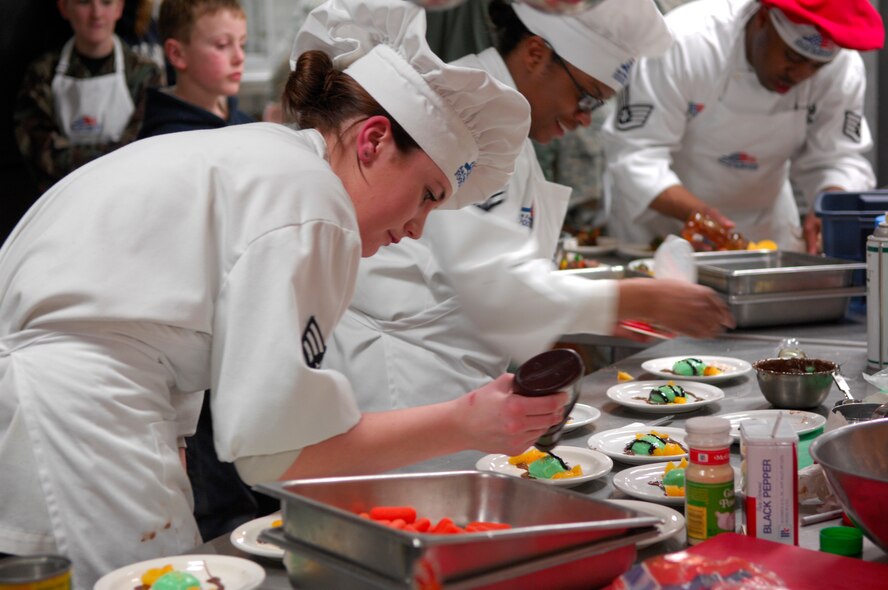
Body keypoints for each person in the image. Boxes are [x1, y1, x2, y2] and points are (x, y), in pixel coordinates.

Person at [0, 0, 541, 585]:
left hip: (65, 396)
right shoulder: (314, 204)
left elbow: (154, 312)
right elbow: (277, 452)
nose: (418, 227)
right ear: (374, 141)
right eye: (428, 194)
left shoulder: (272, 160)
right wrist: (470, 422)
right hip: (80, 410)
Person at [325, 0, 734, 413]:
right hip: (399, 381)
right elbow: (494, 284)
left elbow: (502, 279)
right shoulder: (458, 117)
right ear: (537, 54)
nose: (583, 120)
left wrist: (601, 313)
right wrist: (640, 299)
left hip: (445, 383)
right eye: (587, 98)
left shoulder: (505, 128)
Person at [601, 0, 883, 253]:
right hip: (662, 226)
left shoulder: (842, 69)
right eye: (793, 57)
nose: (800, 75)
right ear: (762, 18)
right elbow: (635, 155)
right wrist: (702, 218)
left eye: (816, 67)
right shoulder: (686, 42)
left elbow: (838, 158)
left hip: (763, 227)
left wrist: (830, 206)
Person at [13, 0, 162, 194]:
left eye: (106, 2)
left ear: (119, 8)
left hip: (128, 195)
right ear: (64, 8)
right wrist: (112, 157)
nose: (96, 14)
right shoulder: (42, 73)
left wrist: (72, 153)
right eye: (84, 2)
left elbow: (146, 147)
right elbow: (38, 149)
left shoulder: (146, 73)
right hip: (62, 199)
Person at [138, 0, 253, 139]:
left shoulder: (247, 124)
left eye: (242, 44)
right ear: (177, 54)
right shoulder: (163, 141)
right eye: (222, 45)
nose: (240, 57)